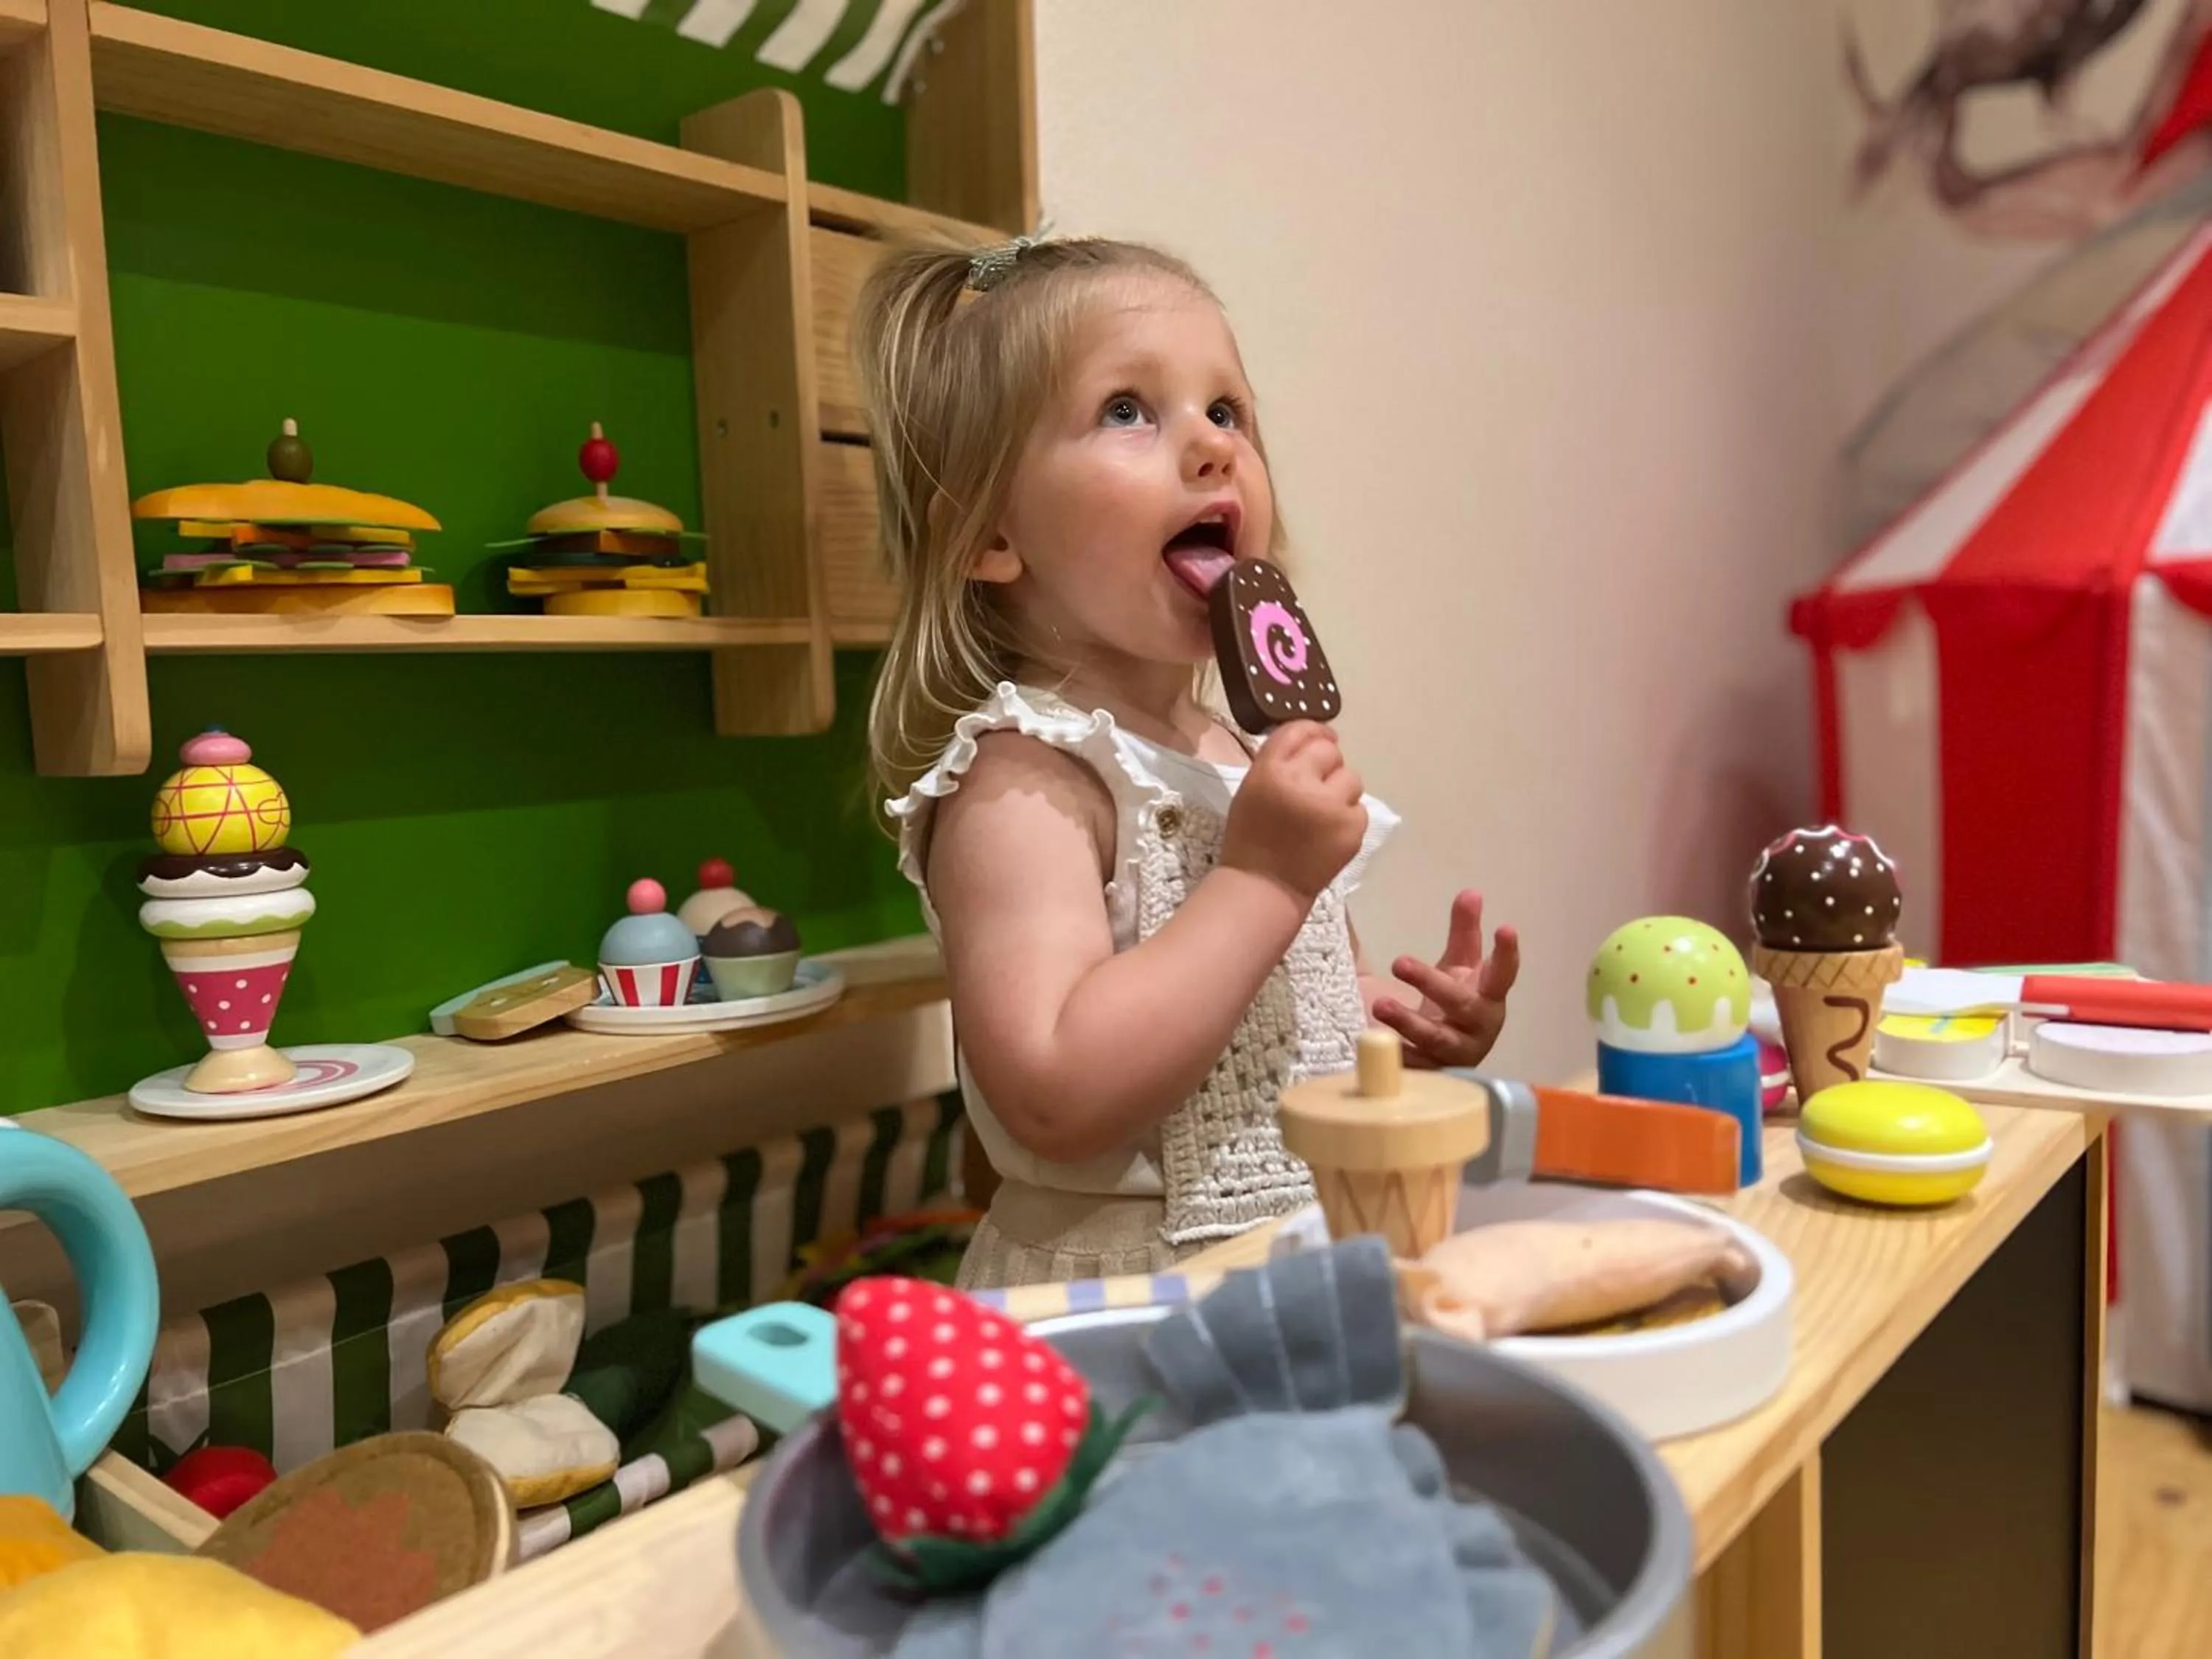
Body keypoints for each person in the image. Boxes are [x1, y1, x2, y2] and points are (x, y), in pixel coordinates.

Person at [857, 234, 1518, 1290]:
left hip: (1298, 1260)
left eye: (1228, 410)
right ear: (990, 534)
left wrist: (1403, 1034)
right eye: (1127, 409)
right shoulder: (1023, 781)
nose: (1212, 446)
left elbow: (1291, 1025)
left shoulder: (1246, 755)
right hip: (1121, 1300)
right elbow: (1051, 1093)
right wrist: (1262, 879)